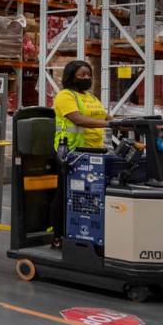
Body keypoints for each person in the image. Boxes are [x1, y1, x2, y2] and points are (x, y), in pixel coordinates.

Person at [50, 60, 110, 248]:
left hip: (95, 152)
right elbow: (77, 119)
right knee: (65, 194)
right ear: (71, 77)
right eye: (82, 75)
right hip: (72, 153)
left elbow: (106, 116)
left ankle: (87, 235)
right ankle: (58, 235)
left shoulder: (91, 98)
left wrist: (127, 122)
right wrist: (108, 125)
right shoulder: (65, 96)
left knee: (91, 195)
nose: (87, 78)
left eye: (89, 75)